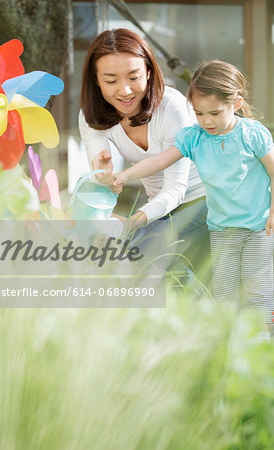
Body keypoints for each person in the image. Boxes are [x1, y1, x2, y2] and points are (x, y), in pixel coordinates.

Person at [113, 60, 274, 334]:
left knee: (258, 293)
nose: (206, 121)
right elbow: (159, 161)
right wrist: (124, 176)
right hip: (222, 229)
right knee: (224, 297)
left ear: (235, 102)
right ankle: (228, 349)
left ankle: (261, 346)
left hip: (259, 228)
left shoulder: (251, 134)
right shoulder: (194, 137)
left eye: (214, 112)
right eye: (199, 113)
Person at [79, 28, 208, 279]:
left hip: (205, 199)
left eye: (133, 77)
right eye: (111, 80)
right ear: (96, 80)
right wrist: (103, 179)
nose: (125, 91)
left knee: (146, 252)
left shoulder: (172, 107)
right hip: (161, 208)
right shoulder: (91, 116)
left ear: (148, 72)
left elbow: (176, 189)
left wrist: (135, 221)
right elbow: (101, 175)